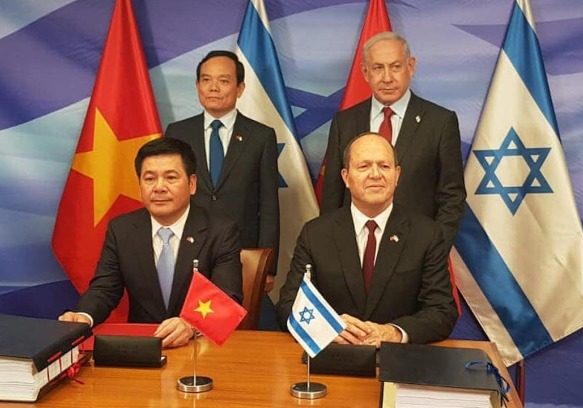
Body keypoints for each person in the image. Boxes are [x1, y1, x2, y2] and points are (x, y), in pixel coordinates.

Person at [277, 133, 458, 346]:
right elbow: (290, 304)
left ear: (397, 175)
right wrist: (327, 328)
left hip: (400, 360)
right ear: (345, 177)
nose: (375, 174)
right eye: (364, 166)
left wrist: (394, 333)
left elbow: (441, 311)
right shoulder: (316, 233)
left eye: (384, 166)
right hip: (334, 356)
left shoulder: (426, 234)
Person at [59, 138, 243, 348]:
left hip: (199, 349)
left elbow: (226, 295)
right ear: (140, 185)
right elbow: (105, 289)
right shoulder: (122, 230)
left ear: (192, 184)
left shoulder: (220, 230)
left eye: (171, 178)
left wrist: (191, 325)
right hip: (142, 347)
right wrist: (84, 316)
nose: (159, 188)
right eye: (149, 179)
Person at [320, 32, 465, 250]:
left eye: (395, 67)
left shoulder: (440, 122)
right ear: (365, 72)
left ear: (411, 66)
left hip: (417, 252)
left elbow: (451, 197)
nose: (387, 78)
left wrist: (433, 250)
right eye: (378, 68)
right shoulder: (345, 122)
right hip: (354, 253)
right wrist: (331, 251)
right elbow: (333, 194)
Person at [165, 50, 279, 291]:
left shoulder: (260, 136)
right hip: (187, 249)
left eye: (223, 81)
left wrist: (268, 267)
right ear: (197, 86)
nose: (213, 88)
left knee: (235, 322)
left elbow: (269, 206)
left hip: (241, 254)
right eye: (206, 80)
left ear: (240, 88)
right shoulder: (177, 133)